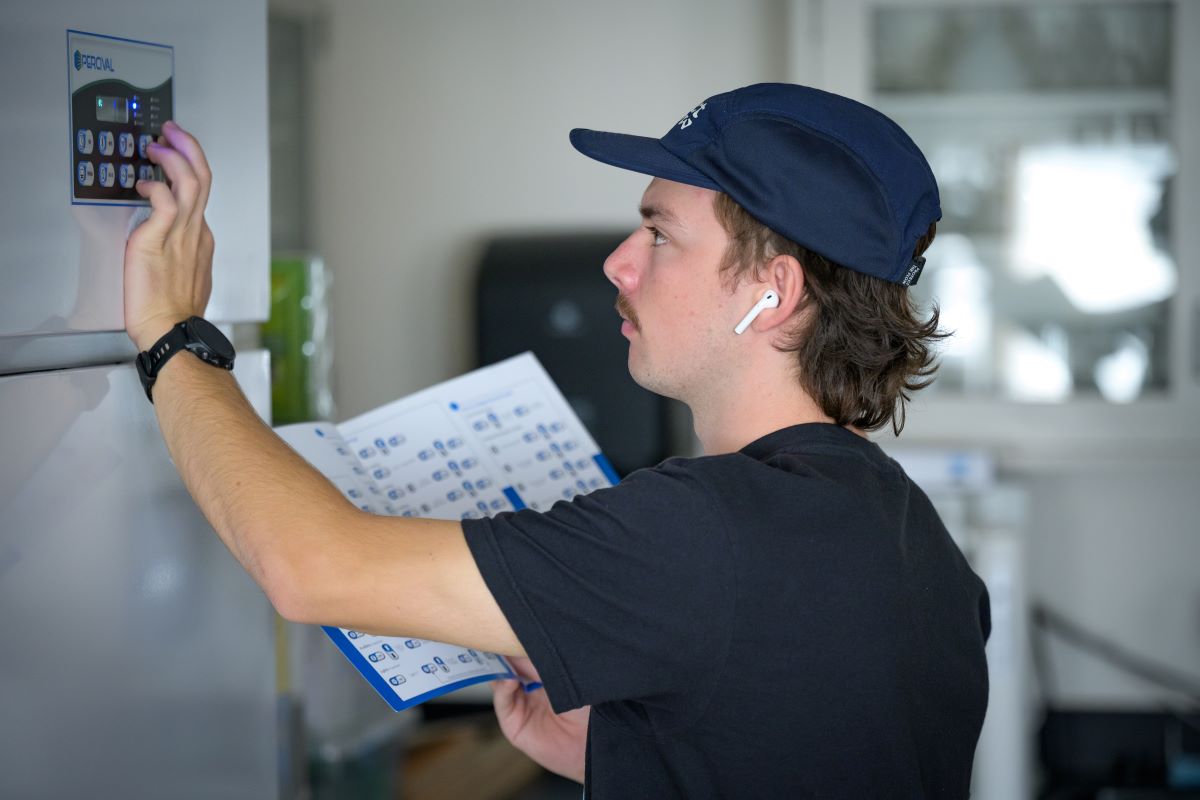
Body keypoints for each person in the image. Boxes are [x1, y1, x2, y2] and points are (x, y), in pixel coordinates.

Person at [124, 83, 990, 798]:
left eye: (659, 234)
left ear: (774, 292)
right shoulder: (915, 542)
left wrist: (171, 335)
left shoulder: (705, 533)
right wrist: (624, 755)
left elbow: (310, 567)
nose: (619, 262)